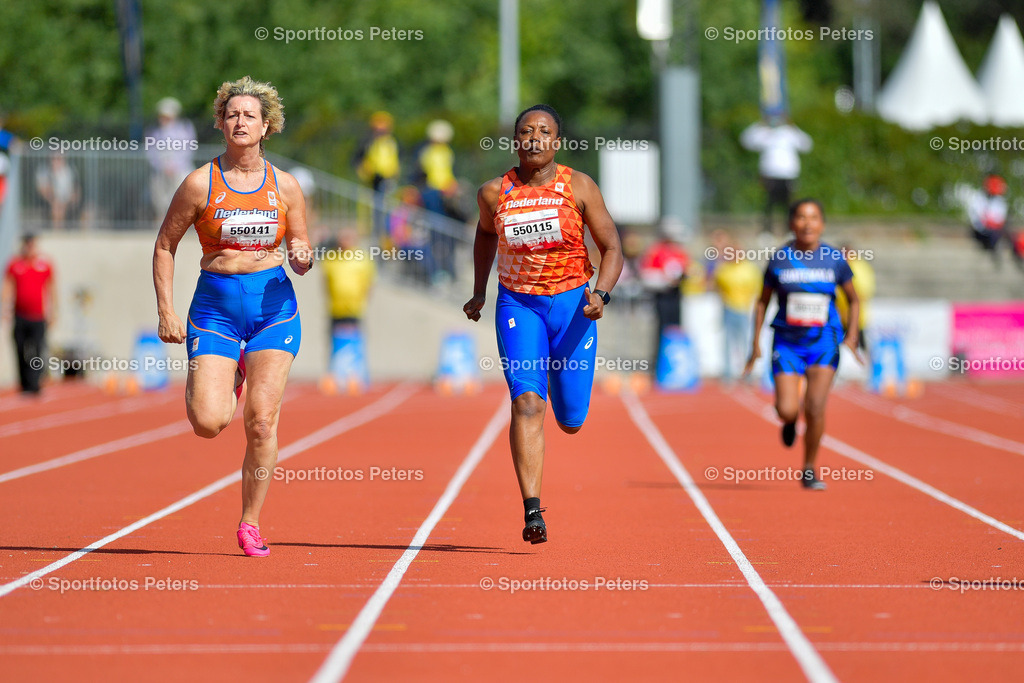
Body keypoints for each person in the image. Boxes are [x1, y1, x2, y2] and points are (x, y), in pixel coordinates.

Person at [152, 76, 313, 557]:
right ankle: (225, 373)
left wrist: (302, 255)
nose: (240, 121)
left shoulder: (285, 187)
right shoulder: (199, 183)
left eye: (250, 115)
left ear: (267, 127)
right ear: (221, 124)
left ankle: (250, 521)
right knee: (208, 422)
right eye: (232, 114)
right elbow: (165, 246)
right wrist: (167, 310)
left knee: (261, 423)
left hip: (273, 311)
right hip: (216, 310)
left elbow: (300, 247)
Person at [464, 104, 622, 544]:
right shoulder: (494, 193)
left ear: (557, 142)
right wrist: (480, 290)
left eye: (544, 132)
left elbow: (613, 248)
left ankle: (558, 378)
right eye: (526, 132)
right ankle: (533, 510)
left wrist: (601, 294)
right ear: (516, 141)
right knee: (528, 405)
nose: (534, 138)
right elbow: (485, 234)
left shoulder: (579, 187)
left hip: (573, 306)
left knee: (571, 420)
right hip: (519, 306)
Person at [743, 199, 861, 491]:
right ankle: (789, 420)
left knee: (816, 406)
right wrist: (755, 343)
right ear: (792, 223)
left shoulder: (834, 258)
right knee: (786, 409)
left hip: (824, 342)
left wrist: (853, 335)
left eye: (814, 218)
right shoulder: (780, 258)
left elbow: (854, 299)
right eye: (801, 217)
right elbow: (762, 301)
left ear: (822, 223)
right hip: (787, 343)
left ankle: (809, 468)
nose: (807, 223)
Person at [2, 234, 56, 394]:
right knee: (19, 348)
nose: (30, 247)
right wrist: (5, 307)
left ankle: (35, 383)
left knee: (37, 349)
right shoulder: (15, 264)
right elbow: (7, 286)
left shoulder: (45, 264)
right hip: (20, 315)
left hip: (38, 316)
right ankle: (24, 383)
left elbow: (52, 289)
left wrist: (53, 311)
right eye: (27, 244)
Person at [740, 117, 813, 235]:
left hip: (788, 175)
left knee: (789, 205)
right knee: (769, 204)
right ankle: (766, 231)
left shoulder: (790, 133)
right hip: (770, 174)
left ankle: (790, 230)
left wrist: (795, 128)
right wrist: (759, 124)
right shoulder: (764, 133)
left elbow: (807, 145)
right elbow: (745, 141)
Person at [639, 219, 689, 374]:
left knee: (675, 330)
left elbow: (688, 270)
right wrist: (664, 280)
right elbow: (646, 275)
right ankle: (658, 367)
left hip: (676, 296)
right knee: (661, 331)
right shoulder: (656, 250)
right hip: (662, 297)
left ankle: (675, 367)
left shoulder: (680, 252)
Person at [712, 235, 761, 382]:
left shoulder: (750, 269)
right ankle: (728, 373)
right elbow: (716, 286)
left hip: (745, 310)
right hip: (728, 308)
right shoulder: (723, 269)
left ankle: (749, 372)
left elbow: (757, 290)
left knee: (746, 342)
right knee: (728, 342)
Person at [417, 119, 460, 281]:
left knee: (445, 233)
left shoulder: (444, 151)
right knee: (437, 232)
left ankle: (447, 270)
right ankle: (437, 272)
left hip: (443, 193)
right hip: (434, 193)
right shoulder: (430, 151)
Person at [146, 97, 198, 220]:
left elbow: (188, 149)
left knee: (185, 195)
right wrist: (162, 166)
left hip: (181, 169)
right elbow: (151, 152)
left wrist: (175, 166)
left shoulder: (185, 129)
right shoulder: (154, 131)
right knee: (159, 197)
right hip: (161, 171)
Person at [354, 111, 400, 244]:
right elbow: (358, 160)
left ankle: (386, 237)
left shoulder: (391, 142)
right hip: (372, 181)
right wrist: (365, 172)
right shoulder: (367, 142)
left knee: (387, 210)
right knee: (372, 211)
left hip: (388, 181)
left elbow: (394, 161)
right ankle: (375, 236)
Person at [834, 242, 875, 355]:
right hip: (838, 315)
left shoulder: (859, 267)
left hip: (856, 316)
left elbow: (862, 292)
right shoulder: (838, 265)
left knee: (860, 344)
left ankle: (865, 368)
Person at [967, 175, 1009, 267]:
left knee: (1007, 233)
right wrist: (988, 222)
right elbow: (976, 219)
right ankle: (992, 249)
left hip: (994, 231)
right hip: (980, 231)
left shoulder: (999, 200)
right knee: (991, 234)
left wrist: (992, 223)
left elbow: (1000, 220)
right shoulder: (977, 198)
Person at [35, 155, 80, 229]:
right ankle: (58, 233)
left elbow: (76, 188)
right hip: (50, 200)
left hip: (67, 199)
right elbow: (43, 190)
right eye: (54, 159)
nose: (56, 161)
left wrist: (72, 198)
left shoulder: (70, 171)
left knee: (88, 210)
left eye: (59, 159)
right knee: (57, 207)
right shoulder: (44, 171)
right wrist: (54, 199)